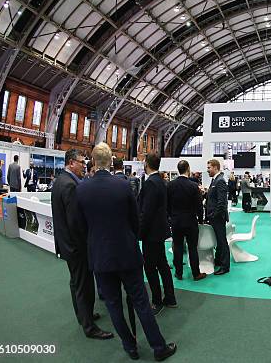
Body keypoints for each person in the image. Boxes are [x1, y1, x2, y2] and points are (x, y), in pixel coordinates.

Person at [76, 143, 177, 361]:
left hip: (100, 257)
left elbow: (80, 226)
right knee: (141, 302)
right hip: (127, 254)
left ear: (93, 161)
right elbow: (134, 221)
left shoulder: (82, 188)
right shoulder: (123, 186)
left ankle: (130, 347)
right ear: (111, 161)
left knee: (113, 305)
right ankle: (158, 347)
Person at [51, 148, 113, 341]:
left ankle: (83, 315)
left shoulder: (61, 181)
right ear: (71, 162)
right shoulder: (70, 185)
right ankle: (89, 327)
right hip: (76, 247)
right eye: (81, 162)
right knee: (83, 285)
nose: (84, 166)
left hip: (68, 245)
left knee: (76, 283)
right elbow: (75, 222)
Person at [139, 153, 176, 315]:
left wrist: (140, 232)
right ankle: (170, 297)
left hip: (151, 234)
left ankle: (156, 301)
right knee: (162, 265)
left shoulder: (151, 183)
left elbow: (147, 212)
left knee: (150, 267)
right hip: (159, 231)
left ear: (147, 163)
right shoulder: (161, 182)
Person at [167, 160, 206, 282]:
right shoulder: (193, 186)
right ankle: (196, 273)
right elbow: (199, 205)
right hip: (190, 221)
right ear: (188, 169)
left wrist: (171, 217)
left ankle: (178, 273)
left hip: (176, 221)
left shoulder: (170, 185)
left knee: (177, 247)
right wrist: (200, 219)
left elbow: (167, 204)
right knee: (192, 248)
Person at [205, 159, 230, 275]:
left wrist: (214, 215)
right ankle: (219, 261)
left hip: (218, 218)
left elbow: (222, 202)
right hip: (215, 217)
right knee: (219, 241)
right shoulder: (215, 180)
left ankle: (225, 266)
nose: (207, 170)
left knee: (222, 241)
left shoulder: (220, 181)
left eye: (209, 167)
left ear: (215, 167)